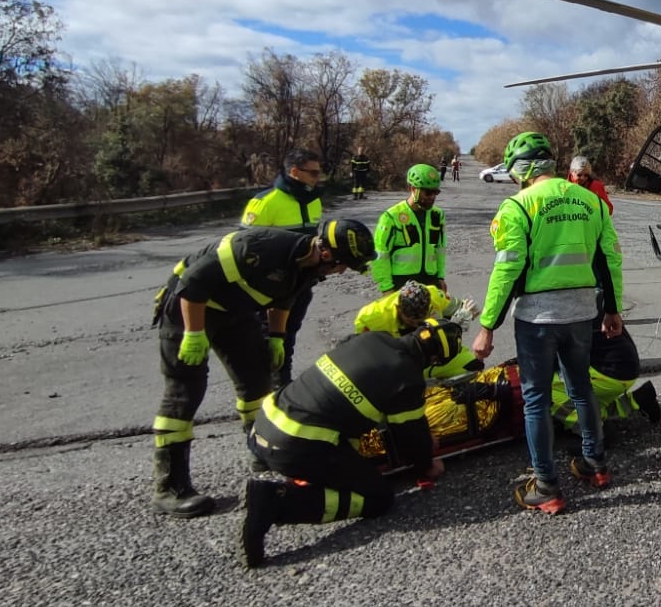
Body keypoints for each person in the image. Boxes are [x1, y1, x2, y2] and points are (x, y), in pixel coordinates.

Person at [148, 219, 375, 518]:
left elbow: (283, 301)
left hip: (235, 314)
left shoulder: (308, 268)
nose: (342, 272)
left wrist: (277, 339)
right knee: (185, 391)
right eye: (343, 265)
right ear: (328, 254)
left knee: (256, 383)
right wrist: (193, 333)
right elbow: (193, 283)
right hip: (189, 308)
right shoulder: (257, 248)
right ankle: (170, 487)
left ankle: (261, 451)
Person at [472, 130, 624, 514]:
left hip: (537, 319)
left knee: (536, 399)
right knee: (581, 388)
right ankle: (595, 464)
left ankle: (546, 485)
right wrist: (612, 309)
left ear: (521, 170)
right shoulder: (592, 201)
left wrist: (488, 325)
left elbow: (507, 271)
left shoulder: (517, 206)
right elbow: (609, 259)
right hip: (581, 312)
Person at [239, 318, 463, 568]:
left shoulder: (373, 337)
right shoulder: (407, 379)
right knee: (378, 498)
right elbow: (410, 440)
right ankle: (276, 503)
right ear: (434, 360)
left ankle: (270, 464)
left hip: (265, 422)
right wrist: (426, 465)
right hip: (295, 446)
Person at [239, 148, 325, 389]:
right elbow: (243, 250)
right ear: (295, 172)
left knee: (288, 336)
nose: (318, 178)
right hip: (269, 290)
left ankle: (282, 385)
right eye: (313, 174)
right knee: (267, 339)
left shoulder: (314, 200)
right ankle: (263, 390)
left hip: (300, 285)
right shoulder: (265, 202)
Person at [353, 280, 484, 378]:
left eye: (420, 321)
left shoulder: (434, 295)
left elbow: (460, 309)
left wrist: (467, 313)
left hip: (431, 358)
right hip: (395, 366)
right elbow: (363, 357)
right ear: (399, 308)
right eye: (411, 322)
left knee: (473, 365)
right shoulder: (370, 318)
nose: (416, 326)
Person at [550, 323, 660, 430]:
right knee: (588, 404)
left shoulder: (549, 316)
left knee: (541, 389)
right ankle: (638, 399)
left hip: (606, 371)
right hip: (624, 366)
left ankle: (593, 430)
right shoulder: (584, 305)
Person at [371, 164, 448, 295]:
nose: (432, 197)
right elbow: (380, 254)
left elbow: (440, 249)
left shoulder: (437, 215)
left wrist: (440, 277)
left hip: (430, 281)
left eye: (436, 192)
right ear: (412, 189)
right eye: (428, 192)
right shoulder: (391, 216)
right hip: (401, 284)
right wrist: (386, 287)